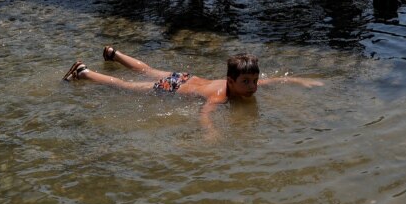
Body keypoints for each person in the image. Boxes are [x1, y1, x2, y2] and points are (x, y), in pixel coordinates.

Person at [63, 48, 323, 131]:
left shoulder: (238, 85)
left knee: (147, 68)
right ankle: (84, 72)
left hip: (184, 77)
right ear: (230, 81)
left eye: (254, 81)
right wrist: (210, 132)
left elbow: (273, 81)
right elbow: (206, 113)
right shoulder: (222, 94)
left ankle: (113, 54)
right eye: (246, 82)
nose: (253, 87)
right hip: (171, 87)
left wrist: (300, 81)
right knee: (126, 86)